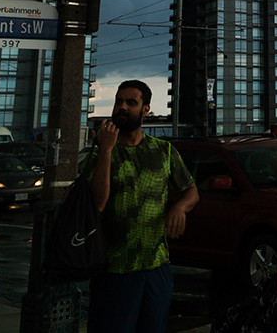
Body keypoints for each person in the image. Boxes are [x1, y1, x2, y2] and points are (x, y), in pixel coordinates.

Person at [80, 79, 199, 333]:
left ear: (146, 109)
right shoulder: (99, 154)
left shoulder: (163, 151)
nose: (122, 107)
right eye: (118, 101)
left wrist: (179, 208)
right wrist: (106, 151)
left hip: (156, 267)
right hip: (114, 269)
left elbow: (191, 191)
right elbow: (98, 203)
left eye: (131, 103)